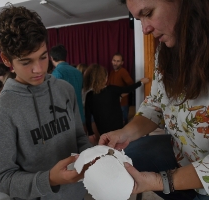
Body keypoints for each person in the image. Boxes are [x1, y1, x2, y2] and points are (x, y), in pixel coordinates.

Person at [100, 0, 209, 200]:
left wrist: (160, 181)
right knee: (130, 152)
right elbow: (156, 105)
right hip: (182, 156)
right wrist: (124, 133)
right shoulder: (164, 52)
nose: (145, 29)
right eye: (139, 19)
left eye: (148, 13)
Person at [0, 4, 92, 200]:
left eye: (43, 57)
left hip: (77, 194)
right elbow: (2, 179)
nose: (39, 69)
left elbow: (79, 138)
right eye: (26, 62)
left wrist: (93, 157)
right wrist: (49, 179)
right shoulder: (1, 111)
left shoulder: (65, 90)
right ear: (7, 60)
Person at [84, 64, 149, 143]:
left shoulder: (89, 96)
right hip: (117, 127)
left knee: (107, 144)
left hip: (102, 129)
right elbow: (128, 89)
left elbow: (87, 116)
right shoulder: (112, 89)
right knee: (118, 144)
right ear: (104, 78)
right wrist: (141, 82)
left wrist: (90, 133)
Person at [50, 44, 85, 124]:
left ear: (51, 58)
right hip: (80, 114)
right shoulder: (77, 72)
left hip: (66, 117)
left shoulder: (56, 73)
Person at [108, 53, 134, 125]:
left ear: (122, 62)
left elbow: (131, 86)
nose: (115, 63)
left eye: (118, 61)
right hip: (114, 104)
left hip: (122, 104)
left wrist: (122, 95)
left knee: (122, 125)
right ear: (111, 61)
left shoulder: (123, 72)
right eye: (114, 60)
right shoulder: (112, 72)